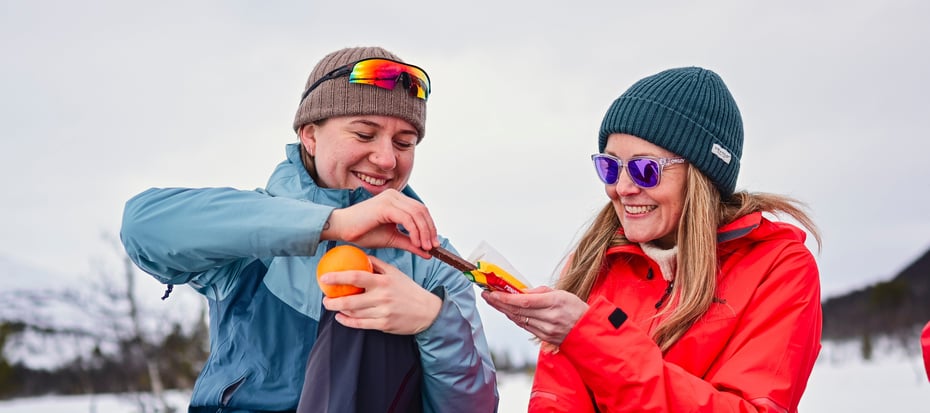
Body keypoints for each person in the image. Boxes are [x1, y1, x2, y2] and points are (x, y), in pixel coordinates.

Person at [120, 46, 498, 413]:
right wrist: (333, 224)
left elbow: (475, 408)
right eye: (364, 135)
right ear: (310, 136)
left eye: (404, 143)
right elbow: (142, 225)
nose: (387, 159)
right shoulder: (253, 229)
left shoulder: (431, 264)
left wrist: (434, 321)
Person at [483, 67, 822, 412]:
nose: (622, 188)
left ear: (700, 175)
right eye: (610, 167)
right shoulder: (592, 263)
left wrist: (591, 337)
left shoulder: (779, 268)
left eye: (645, 169)